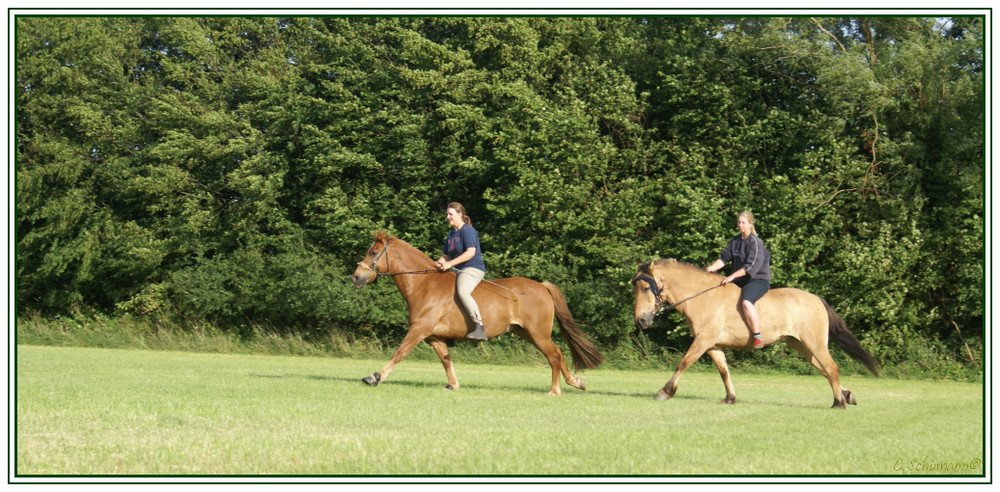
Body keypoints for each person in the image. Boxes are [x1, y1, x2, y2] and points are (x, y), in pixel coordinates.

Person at [705, 210, 771, 349]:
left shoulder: (754, 242)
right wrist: (710, 269)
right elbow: (724, 259)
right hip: (739, 280)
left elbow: (750, 266)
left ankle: (757, 336)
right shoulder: (735, 241)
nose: (740, 225)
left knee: (746, 302)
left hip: (757, 280)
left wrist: (732, 276)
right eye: (739, 222)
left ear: (750, 224)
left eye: (743, 222)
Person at [434, 202, 488, 341]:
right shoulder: (451, 234)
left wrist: (450, 264)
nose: (447, 217)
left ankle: (479, 326)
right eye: (447, 214)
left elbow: (471, 252)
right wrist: (434, 266)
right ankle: (449, 331)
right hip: (458, 270)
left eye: (450, 214)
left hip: (472, 268)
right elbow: (445, 256)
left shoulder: (467, 231)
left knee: (462, 291)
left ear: (460, 214)